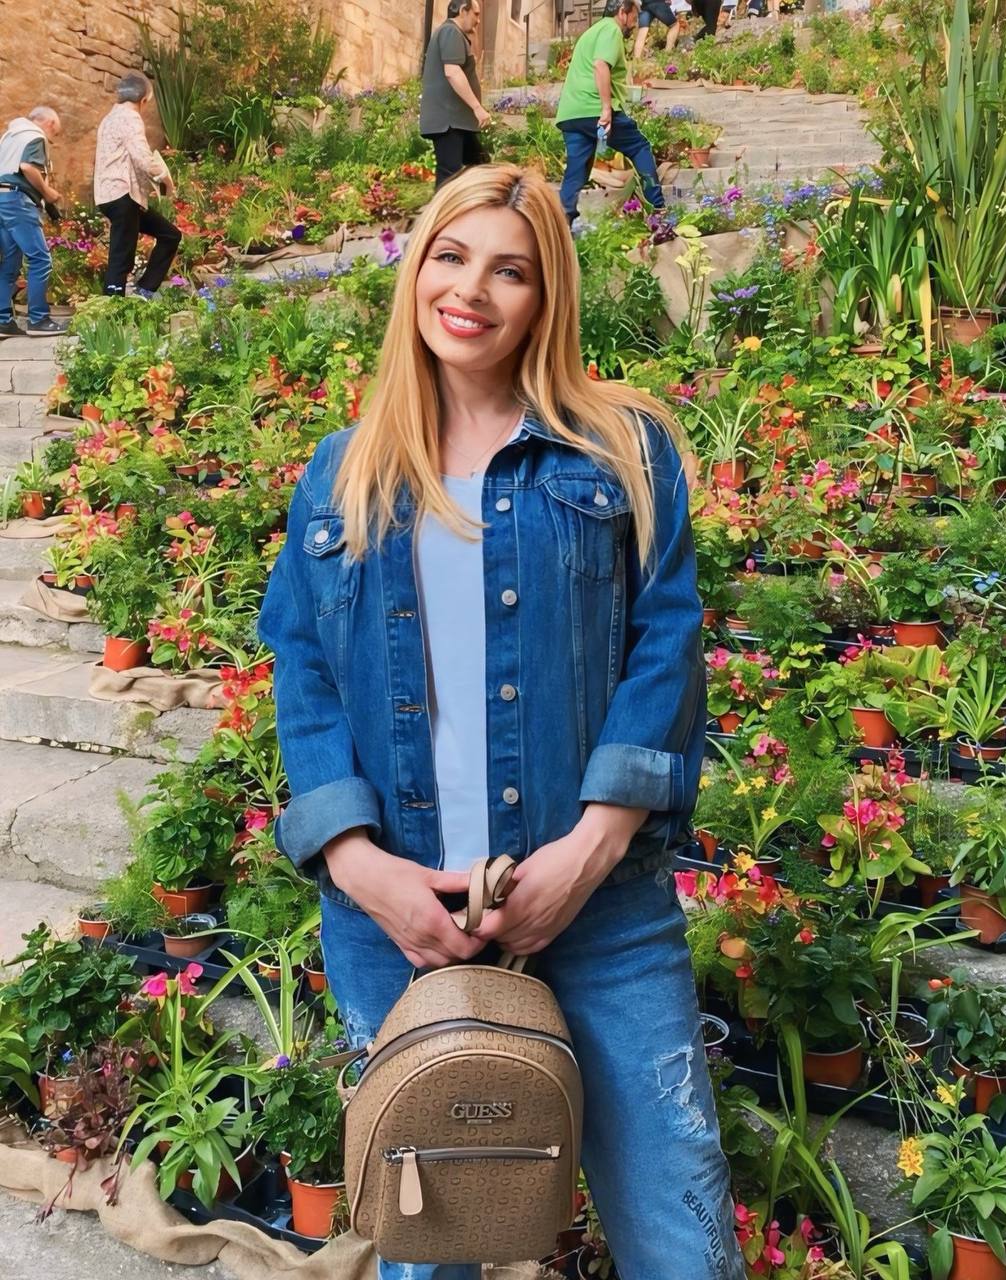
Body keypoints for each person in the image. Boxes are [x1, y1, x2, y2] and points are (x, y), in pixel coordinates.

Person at [258, 163, 742, 1280]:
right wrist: (359, 866)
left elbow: (666, 644)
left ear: (544, 297)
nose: (471, 289)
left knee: (678, 1225)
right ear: (417, 271)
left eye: (509, 270)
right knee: (430, 1243)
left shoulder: (620, 450)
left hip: (599, 907)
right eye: (451, 256)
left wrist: (588, 852)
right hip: (401, 921)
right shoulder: (342, 473)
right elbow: (303, 669)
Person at [556, 0, 670, 233]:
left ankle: (561, 226)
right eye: (634, 18)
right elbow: (601, 65)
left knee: (576, 169)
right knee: (639, 147)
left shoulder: (593, 31)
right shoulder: (611, 30)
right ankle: (658, 209)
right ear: (622, 13)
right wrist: (606, 109)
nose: (635, 24)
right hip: (593, 108)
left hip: (571, 113)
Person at [94, 72, 181, 299]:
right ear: (143, 100)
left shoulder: (109, 119)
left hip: (113, 196)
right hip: (122, 195)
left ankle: (145, 290)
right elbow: (143, 159)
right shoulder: (130, 118)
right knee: (121, 257)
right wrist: (165, 178)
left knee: (170, 234)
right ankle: (111, 309)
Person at [0, 106, 67, 338]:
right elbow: (27, 167)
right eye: (54, 134)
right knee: (40, 260)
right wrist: (48, 193)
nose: (52, 139)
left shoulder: (9, 137)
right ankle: (38, 319)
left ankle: (3, 321)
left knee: (9, 263)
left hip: (2, 199)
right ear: (50, 123)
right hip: (17, 201)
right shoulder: (35, 135)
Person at [420, 0, 492, 190]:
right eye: (476, 14)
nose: (478, 20)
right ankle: (443, 209)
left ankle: (474, 204)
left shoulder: (455, 34)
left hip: (457, 121)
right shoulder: (450, 32)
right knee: (449, 175)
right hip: (449, 121)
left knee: (480, 165)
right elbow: (452, 72)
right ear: (462, 11)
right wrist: (477, 108)